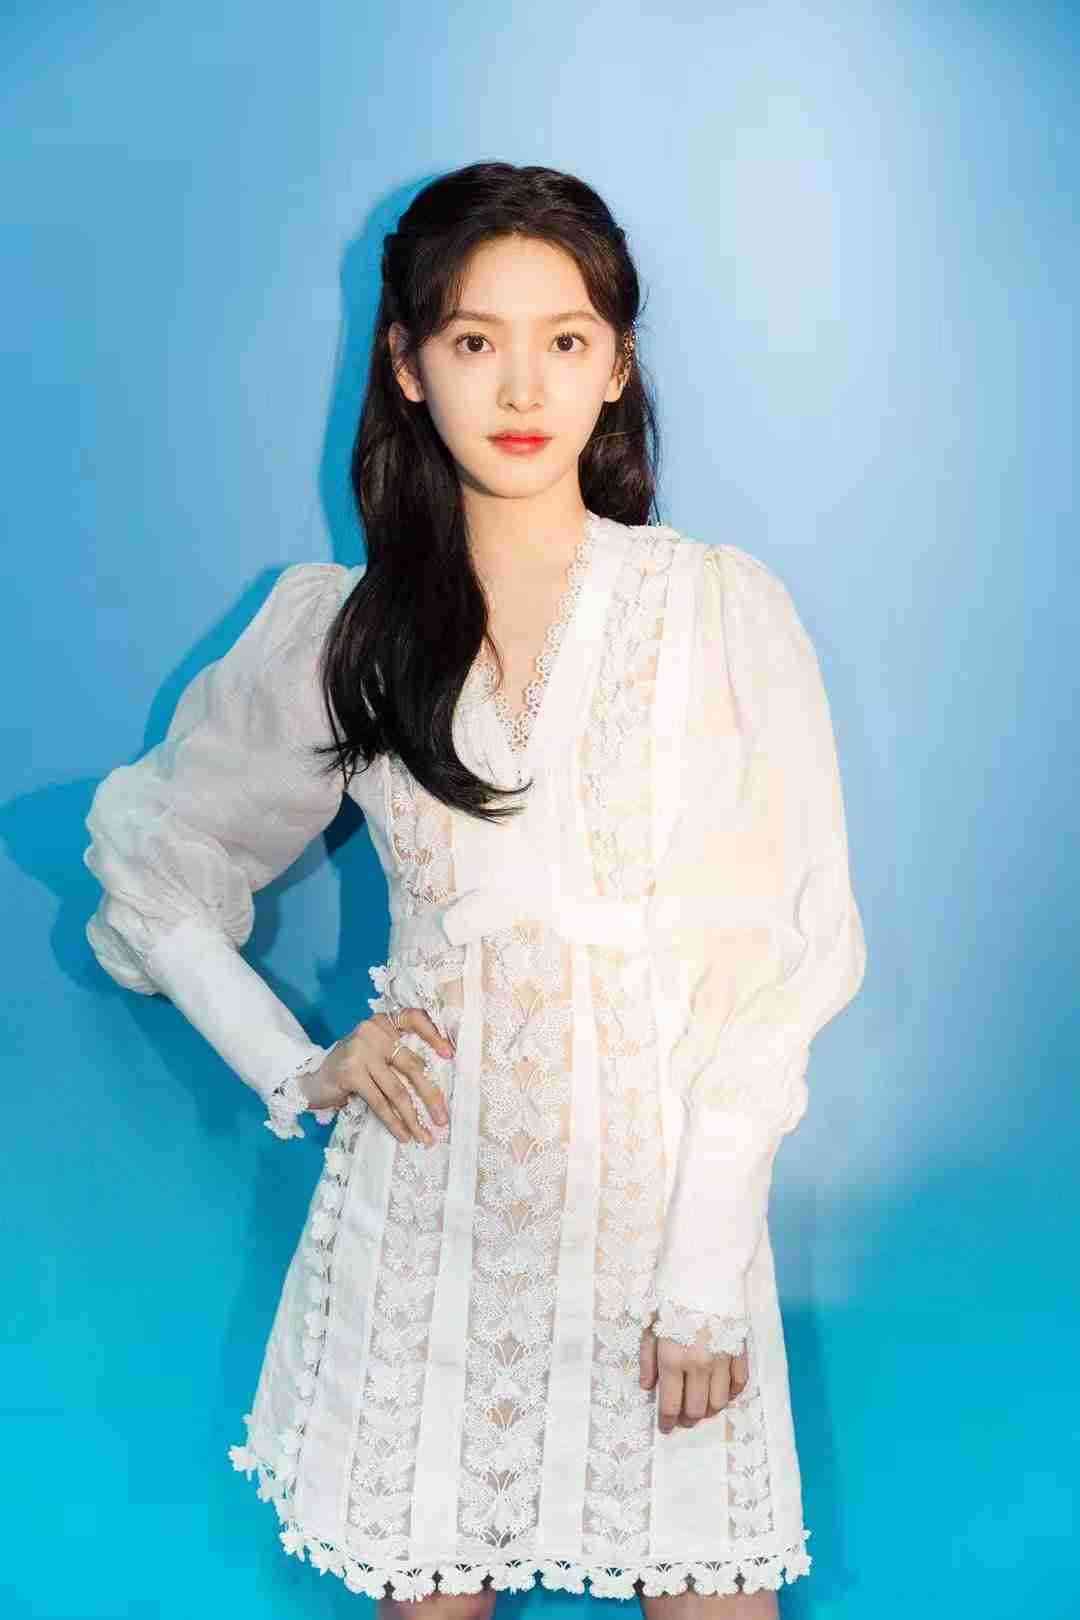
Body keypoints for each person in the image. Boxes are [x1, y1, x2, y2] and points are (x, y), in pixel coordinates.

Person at [82, 162, 867, 1618]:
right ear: (407, 363)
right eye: (472, 339)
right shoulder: (349, 628)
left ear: (617, 366)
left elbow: (789, 956)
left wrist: (702, 1273)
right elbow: (153, 854)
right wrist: (298, 1061)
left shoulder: (713, 608)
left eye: (565, 339)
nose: (521, 385)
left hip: (660, 1213)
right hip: (431, 1212)